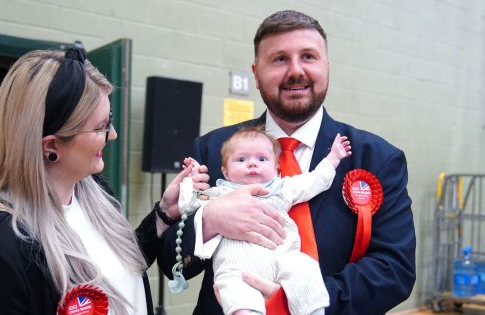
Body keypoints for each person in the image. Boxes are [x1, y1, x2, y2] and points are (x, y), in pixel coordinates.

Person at [157, 10, 416, 315]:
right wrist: (209, 220)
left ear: (326, 66)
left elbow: (394, 269)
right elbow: (172, 264)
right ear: (256, 73)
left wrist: (301, 301)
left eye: (308, 56)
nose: (296, 71)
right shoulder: (214, 150)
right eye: (279, 59)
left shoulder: (377, 158)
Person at [0, 48, 208, 315]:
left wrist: (163, 215)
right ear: (51, 145)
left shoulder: (95, 193)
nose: (112, 134)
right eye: (101, 126)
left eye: (110, 120)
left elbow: (118, 270)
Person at [177, 127, 351, 315]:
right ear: (225, 172)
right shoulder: (219, 195)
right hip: (237, 264)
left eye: (262, 159)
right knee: (232, 286)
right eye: (241, 159)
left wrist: (333, 158)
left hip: (283, 257)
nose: (252, 164)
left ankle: (314, 311)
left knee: (306, 268)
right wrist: (190, 182)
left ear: (277, 168)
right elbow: (187, 206)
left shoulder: (282, 188)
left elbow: (315, 181)